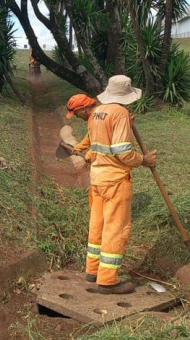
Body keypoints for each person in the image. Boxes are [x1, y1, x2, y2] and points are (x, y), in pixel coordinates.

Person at [65, 76, 157, 295]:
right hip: (115, 180)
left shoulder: (97, 113)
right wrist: (144, 160)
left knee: (97, 224)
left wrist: (127, 123)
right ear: (127, 96)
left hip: (97, 180)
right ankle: (107, 281)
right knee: (115, 228)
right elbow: (123, 151)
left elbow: (102, 141)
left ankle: (93, 271)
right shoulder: (121, 113)